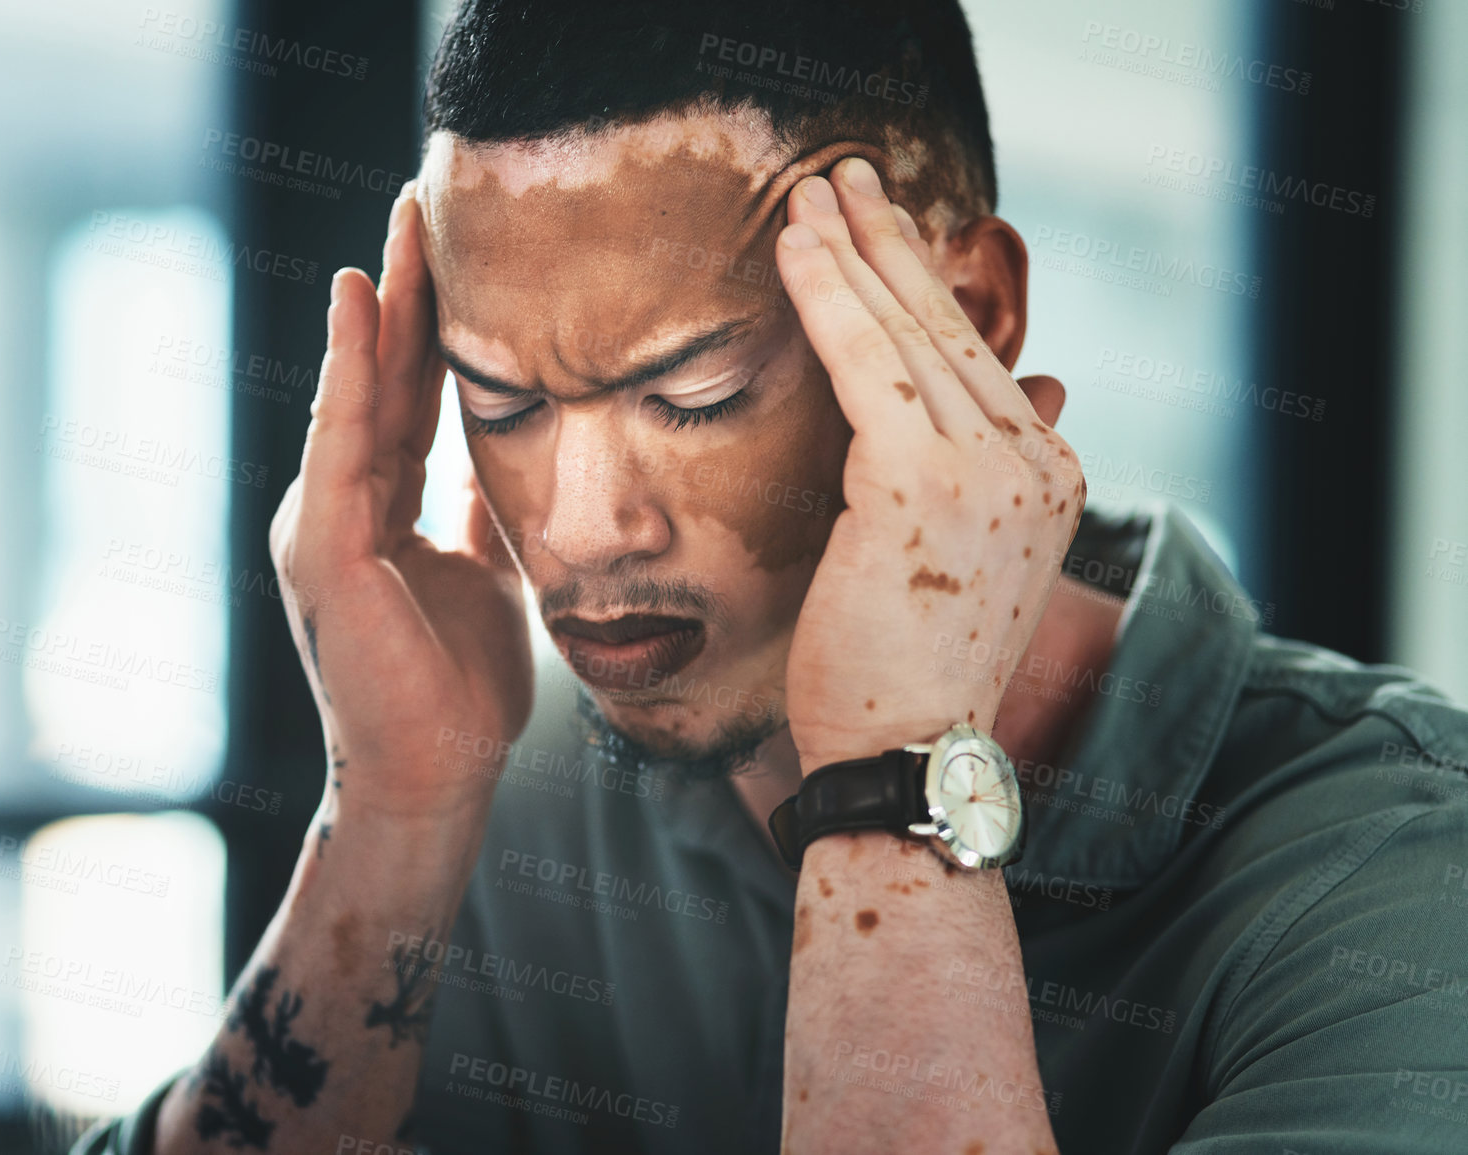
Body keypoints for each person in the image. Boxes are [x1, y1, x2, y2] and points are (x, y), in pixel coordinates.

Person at [74, 1, 1468, 1151]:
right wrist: (393, 810)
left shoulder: (1397, 875)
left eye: (694, 390)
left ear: (965, 319)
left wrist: (890, 772)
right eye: (501, 406)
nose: (584, 527)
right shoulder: (516, 798)